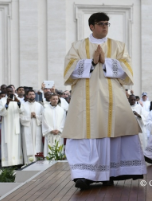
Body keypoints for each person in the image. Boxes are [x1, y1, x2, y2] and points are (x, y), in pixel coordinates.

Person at [62, 12, 146, 190]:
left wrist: (107, 61)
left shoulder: (118, 46)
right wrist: (91, 63)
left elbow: (128, 72)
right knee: (84, 135)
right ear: (91, 26)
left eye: (107, 24)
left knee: (112, 133)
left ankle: (109, 173)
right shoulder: (77, 46)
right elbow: (69, 72)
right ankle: (84, 175)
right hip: (85, 100)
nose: (105, 27)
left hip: (111, 98)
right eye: (101, 24)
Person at [0, 86, 24, 167]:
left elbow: (22, 111)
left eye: (11, 91)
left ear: (13, 91)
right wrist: (7, 104)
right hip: (7, 126)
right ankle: (7, 163)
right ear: (6, 92)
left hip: (15, 126)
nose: (10, 93)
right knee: (7, 143)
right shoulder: (2, 100)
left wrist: (18, 103)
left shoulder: (17, 100)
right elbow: (1, 112)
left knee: (16, 144)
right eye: (8, 92)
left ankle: (17, 163)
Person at [20, 90, 43, 164]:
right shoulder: (23, 105)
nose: (31, 96)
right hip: (27, 127)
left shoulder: (39, 105)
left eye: (33, 94)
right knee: (27, 143)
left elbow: (43, 117)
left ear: (35, 95)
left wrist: (36, 116)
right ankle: (28, 162)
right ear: (27, 96)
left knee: (37, 143)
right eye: (30, 94)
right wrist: (29, 116)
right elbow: (20, 117)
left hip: (37, 126)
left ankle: (38, 161)